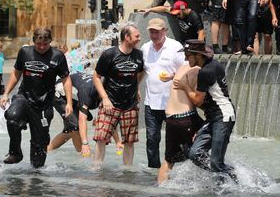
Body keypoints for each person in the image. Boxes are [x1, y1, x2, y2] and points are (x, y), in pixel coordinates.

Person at [0, 27, 72, 168]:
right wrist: (5, 94)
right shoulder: (25, 52)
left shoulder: (57, 56)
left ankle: (36, 174)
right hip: (24, 98)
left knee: (39, 147)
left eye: (45, 44)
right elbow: (16, 73)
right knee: (12, 116)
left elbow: (66, 79)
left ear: (50, 42)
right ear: (33, 41)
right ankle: (15, 153)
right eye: (39, 44)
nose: (42, 47)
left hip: (44, 105)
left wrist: (69, 102)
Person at [178, 40, 237, 181]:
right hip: (214, 117)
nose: (185, 58)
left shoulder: (206, 71)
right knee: (195, 154)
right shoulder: (213, 65)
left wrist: (185, 86)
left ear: (198, 55)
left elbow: (198, 101)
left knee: (216, 162)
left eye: (187, 55)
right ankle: (222, 175)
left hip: (223, 116)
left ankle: (233, 181)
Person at [92, 24, 145, 166]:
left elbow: (141, 72)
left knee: (129, 141)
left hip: (130, 105)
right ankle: (97, 168)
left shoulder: (139, 55)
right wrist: (104, 98)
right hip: (110, 103)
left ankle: (127, 172)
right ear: (126, 37)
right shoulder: (109, 54)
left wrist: (136, 87)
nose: (139, 39)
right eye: (136, 36)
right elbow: (96, 77)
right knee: (101, 138)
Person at [141, 18, 184, 169]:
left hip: (172, 103)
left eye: (157, 32)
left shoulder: (175, 46)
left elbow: (186, 69)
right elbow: (143, 71)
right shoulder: (145, 48)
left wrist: (172, 76)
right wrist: (135, 89)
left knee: (174, 139)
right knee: (152, 138)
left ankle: (175, 169)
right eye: (152, 32)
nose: (154, 35)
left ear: (164, 31)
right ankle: (153, 170)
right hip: (151, 102)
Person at [47, 71, 123, 156]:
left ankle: (47, 151)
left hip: (75, 97)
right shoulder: (87, 92)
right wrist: (85, 143)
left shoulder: (108, 94)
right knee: (75, 127)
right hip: (60, 94)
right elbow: (82, 119)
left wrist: (118, 142)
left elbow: (109, 118)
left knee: (68, 132)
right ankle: (83, 157)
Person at [157, 63, 204, 184]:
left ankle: (160, 190)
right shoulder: (198, 70)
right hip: (186, 118)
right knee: (201, 151)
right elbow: (199, 100)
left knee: (168, 160)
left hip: (171, 118)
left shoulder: (182, 67)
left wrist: (171, 77)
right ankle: (219, 180)